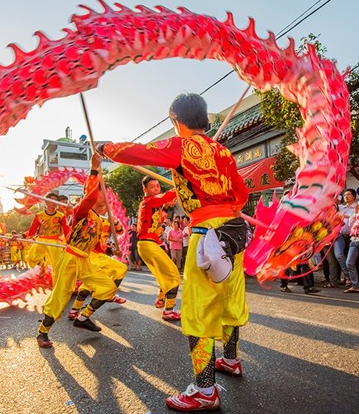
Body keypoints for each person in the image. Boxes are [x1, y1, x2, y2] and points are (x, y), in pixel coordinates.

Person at [100, 92, 250, 412]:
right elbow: (242, 192)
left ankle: (204, 390)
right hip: (235, 233)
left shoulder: (181, 146)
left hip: (206, 232)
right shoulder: (222, 150)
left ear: (175, 120)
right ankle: (231, 359)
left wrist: (106, 148)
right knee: (229, 301)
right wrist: (229, 209)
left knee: (199, 311)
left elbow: (140, 152)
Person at [36, 154, 118, 348]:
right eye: (103, 193)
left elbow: (98, 244)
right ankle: (42, 333)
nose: (106, 197)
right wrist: (94, 169)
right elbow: (89, 195)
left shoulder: (99, 220)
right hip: (70, 256)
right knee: (61, 296)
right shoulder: (83, 210)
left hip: (85, 260)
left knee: (108, 287)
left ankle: (83, 318)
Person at [129, 175, 181, 320]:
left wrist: (165, 207)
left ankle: (160, 300)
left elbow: (159, 218)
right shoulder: (150, 201)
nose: (156, 189)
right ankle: (168, 310)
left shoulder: (152, 204)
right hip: (147, 244)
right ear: (144, 189)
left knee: (163, 274)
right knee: (173, 275)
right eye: (152, 186)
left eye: (157, 186)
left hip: (148, 245)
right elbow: (167, 196)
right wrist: (180, 185)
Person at [66, 203, 128, 320]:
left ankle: (75, 310)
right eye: (98, 205)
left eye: (104, 206)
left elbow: (120, 231)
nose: (101, 207)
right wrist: (70, 213)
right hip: (91, 254)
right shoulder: (89, 217)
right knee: (119, 269)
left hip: (100, 256)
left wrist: (114, 221)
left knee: (90, 283)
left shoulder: (106, 221)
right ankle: (109, 294)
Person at [25, 192, 69, 274]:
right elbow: (32, 230)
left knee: (57, 266)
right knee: (31, 258)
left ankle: (57, 285)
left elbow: (66, 230)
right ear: (46, 202)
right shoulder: (39, 215)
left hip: (55, 241)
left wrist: (69, 242)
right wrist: (22, 235)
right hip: (41, 240)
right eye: (51, 200)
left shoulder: (61, 216)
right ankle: (43, 265)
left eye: (56, 200)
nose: (53, 202)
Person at [334, 189, 357, 286]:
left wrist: (344, 216)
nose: (346, 196)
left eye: (348, 194)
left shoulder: (357, 207)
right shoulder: (340, 207)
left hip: (352, 236)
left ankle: (353, 279)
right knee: (339, 255)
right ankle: (347, 276)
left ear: (354, 197)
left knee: (350, 260)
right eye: (344, 195)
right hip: (340, 236)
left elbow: (357, 217)